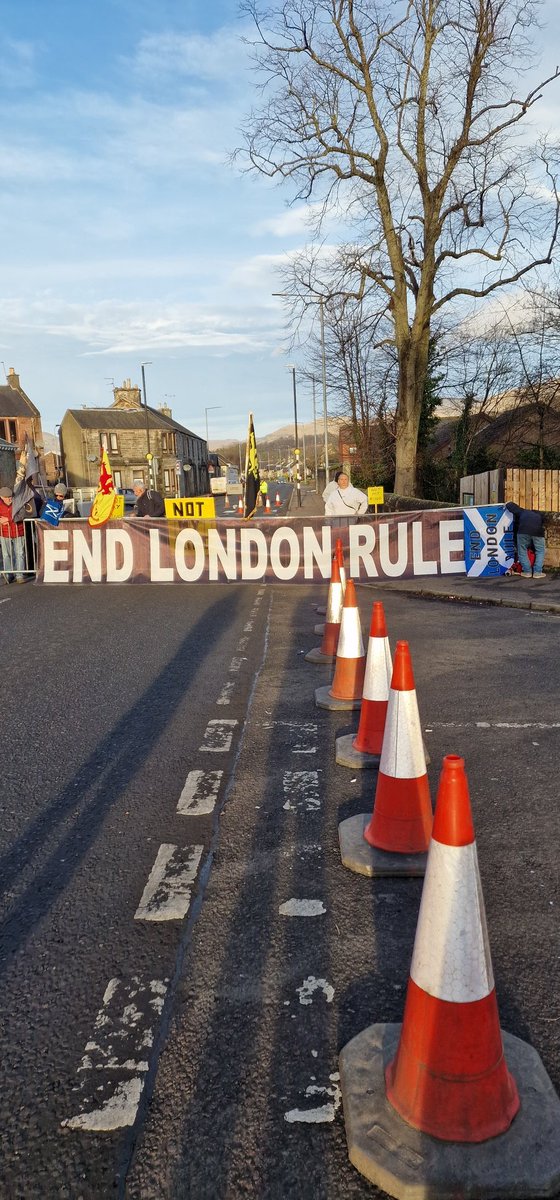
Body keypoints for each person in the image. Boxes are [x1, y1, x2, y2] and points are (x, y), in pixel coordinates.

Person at [505, 501, 546, 578]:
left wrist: (507, 503)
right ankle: (537, 572)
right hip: (538, 532)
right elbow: (543, 522)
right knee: (540, 551)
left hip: (523, 531)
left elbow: (511, 506)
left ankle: (527, 572)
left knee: (522, 551)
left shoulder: (522, 511)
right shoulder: (540, 515)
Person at [0, 485, 26, 583]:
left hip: (18, 532)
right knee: (6, 555)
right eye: (7, 497)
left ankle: (19, 575)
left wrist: (8, 519)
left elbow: (22, 515)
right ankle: (9, 574)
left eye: (10, 496)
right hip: (4, 533)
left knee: (20, 553)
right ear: (1, 497)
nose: (9, 499)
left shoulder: (18, 502)